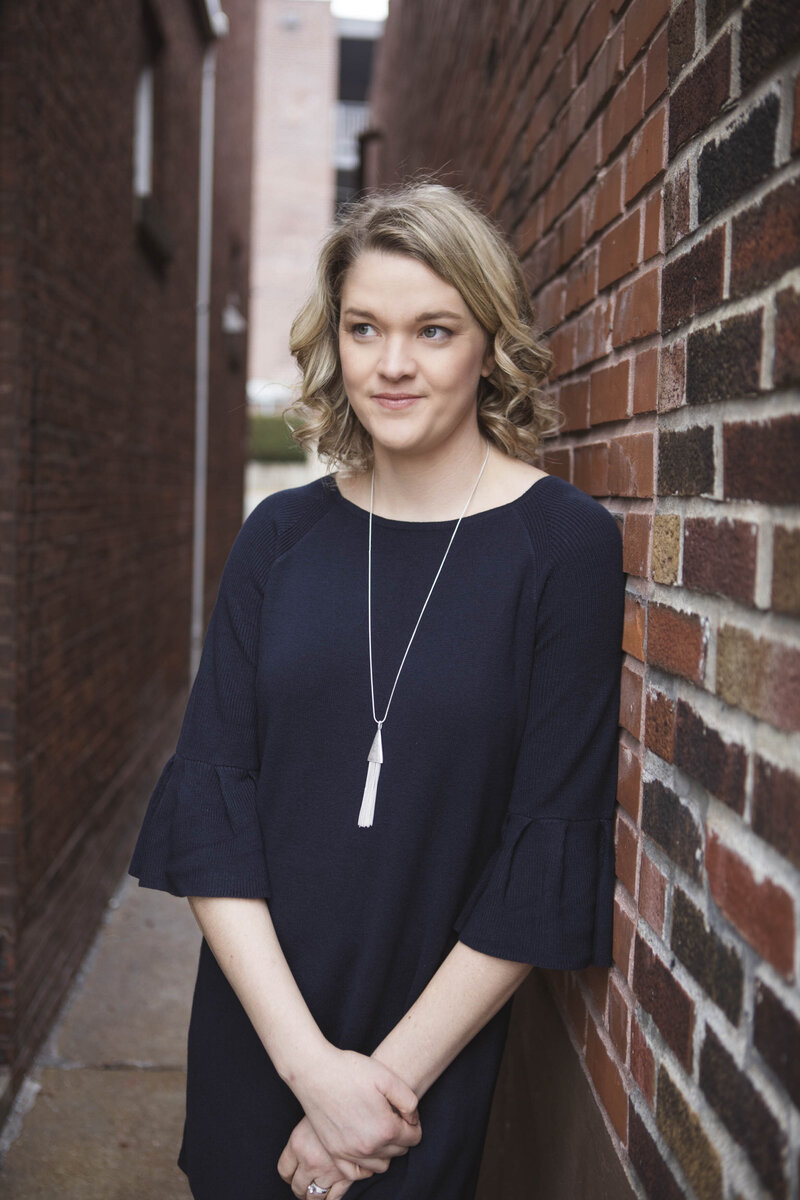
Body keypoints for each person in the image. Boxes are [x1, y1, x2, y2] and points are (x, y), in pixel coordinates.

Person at [129, 181, 625, 1200]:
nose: (391, 364)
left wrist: (372, 1094)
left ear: (488, 346)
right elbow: (213, 807)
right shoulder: (279, 538)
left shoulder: (563, 547)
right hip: (260, 1030)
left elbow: (543, 845)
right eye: (364, 328)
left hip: (422, 1070)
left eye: (433, 330)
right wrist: (311, 1072)